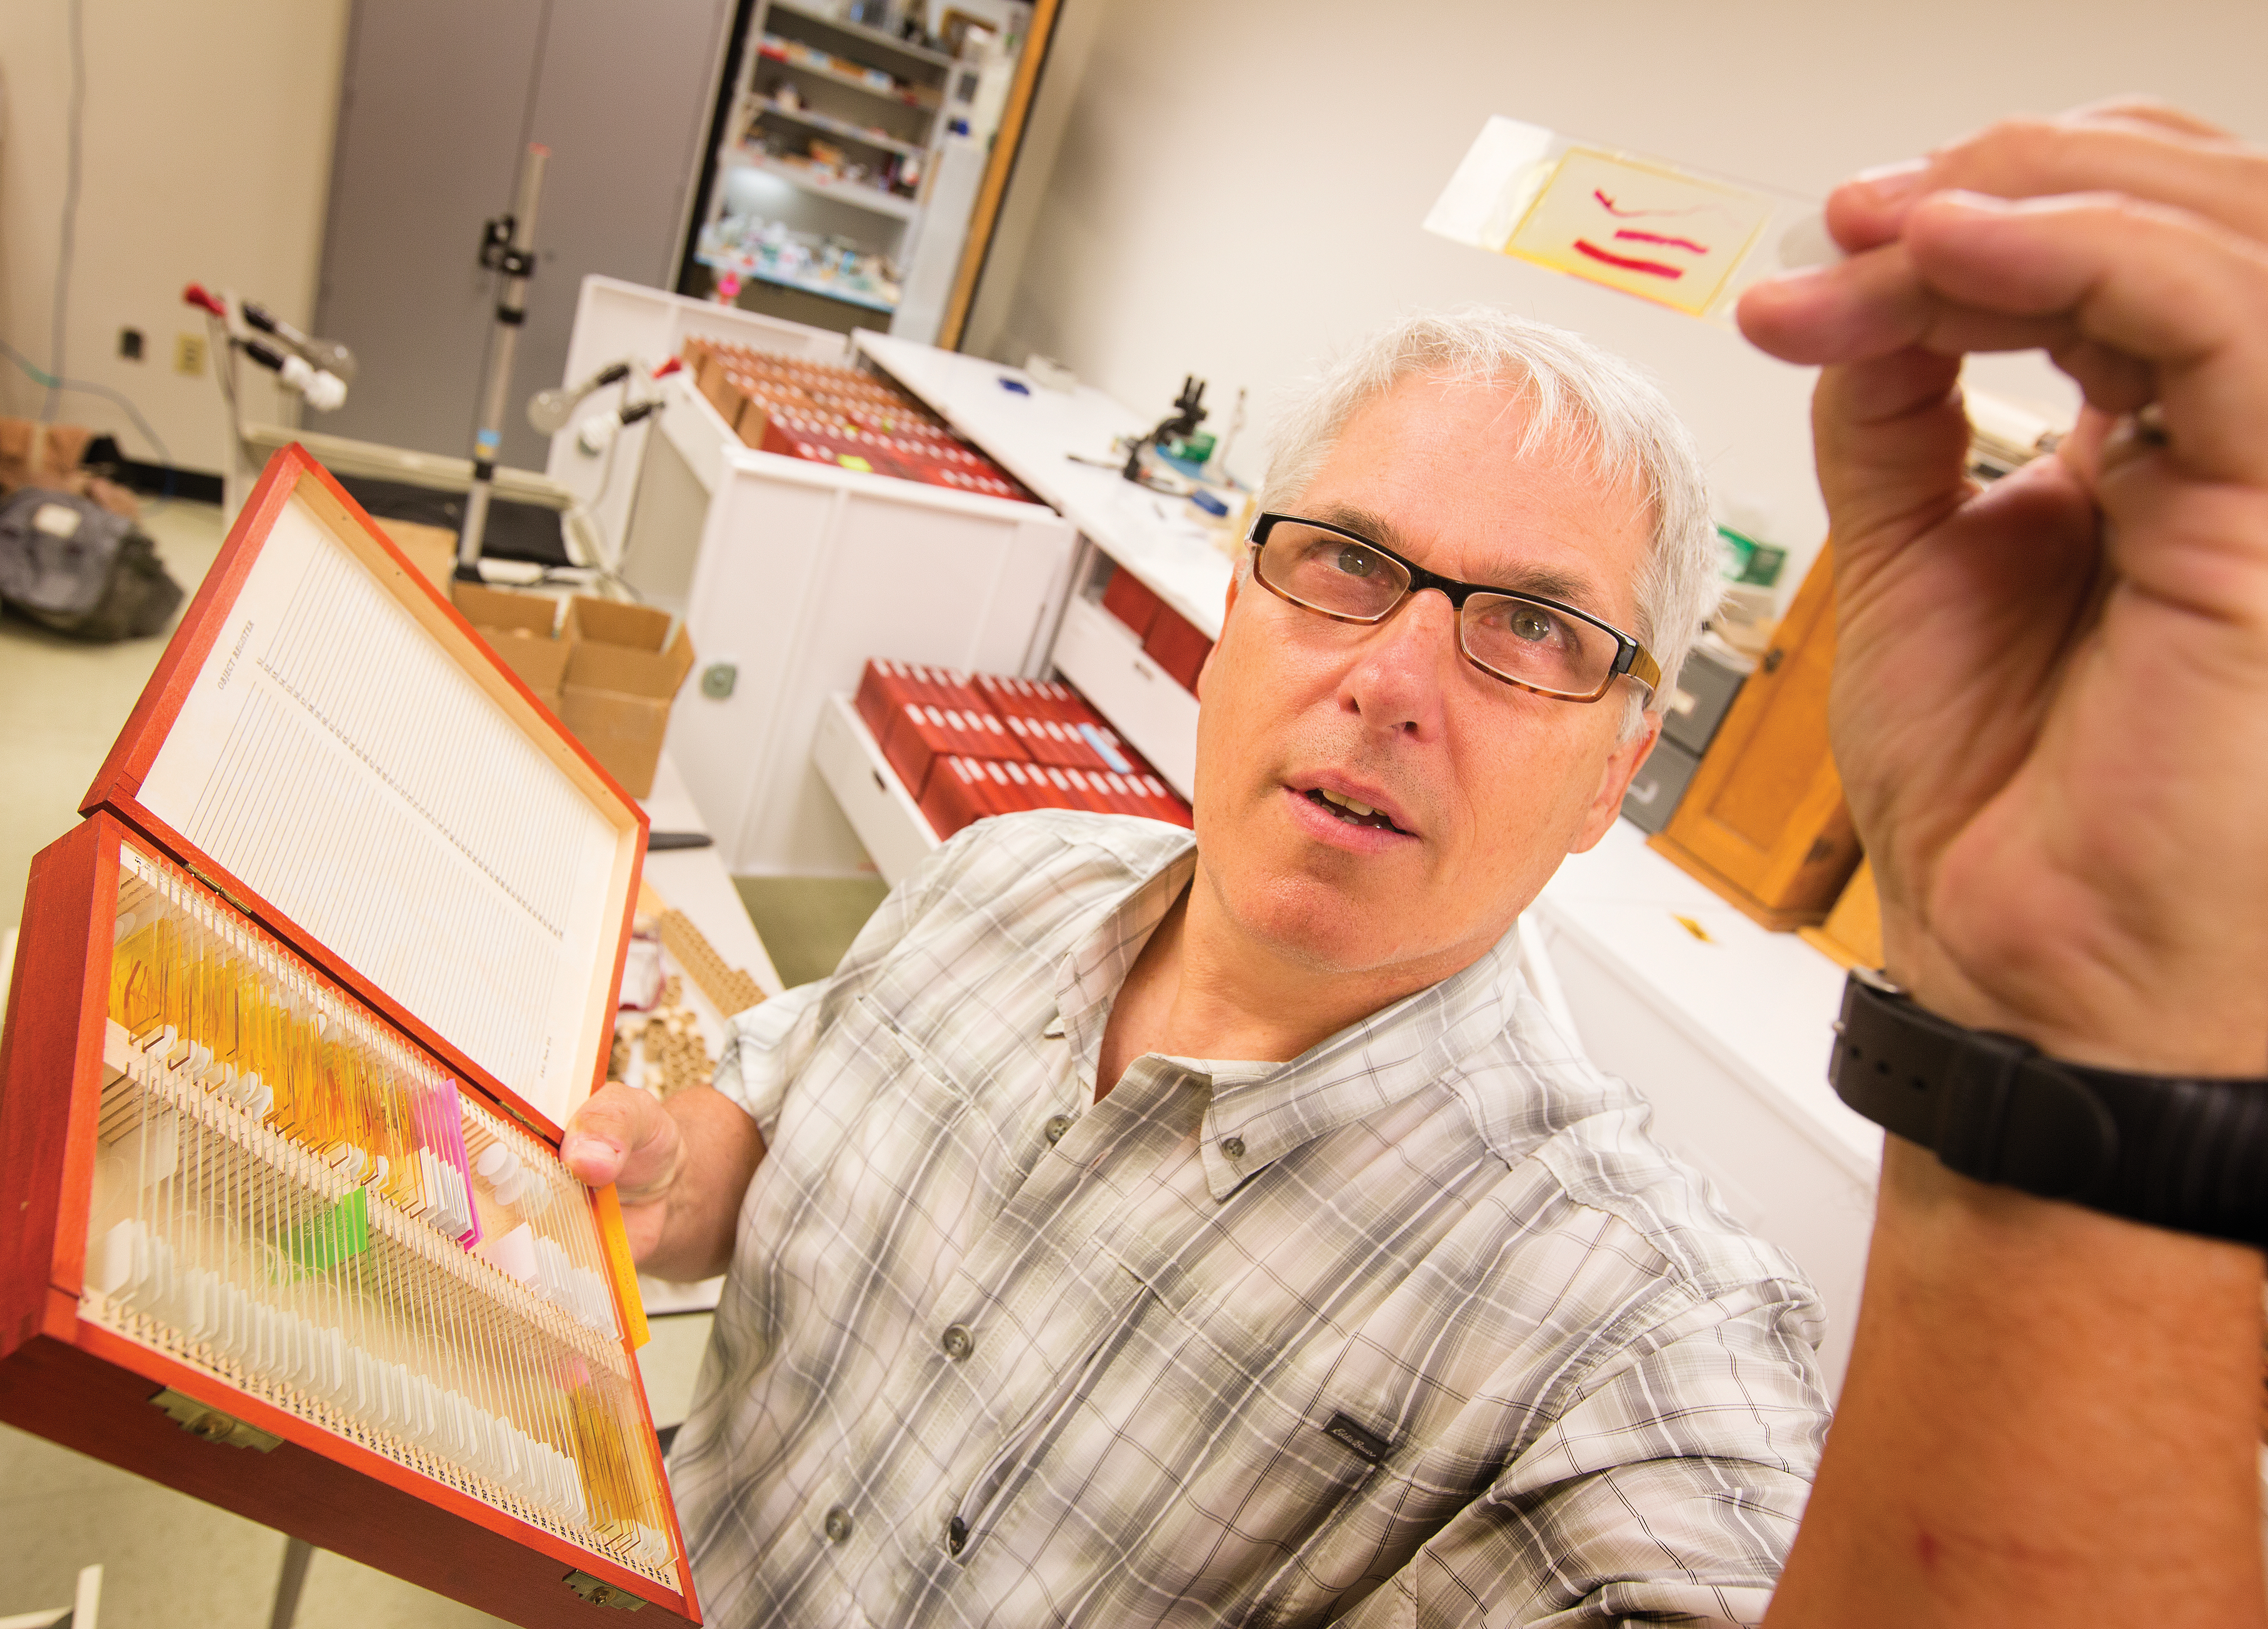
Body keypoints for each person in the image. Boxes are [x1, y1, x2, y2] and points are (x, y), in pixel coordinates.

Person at [569, 101, 2268, 1627]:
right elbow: (774, 1111)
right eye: (1349, 563)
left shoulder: (1606, 1326)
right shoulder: (996, 876)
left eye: (1532, 628)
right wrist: (672, 1173)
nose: (1392, 680)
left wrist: (2075, 1054)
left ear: (1617, 769)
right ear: (1236, 613)